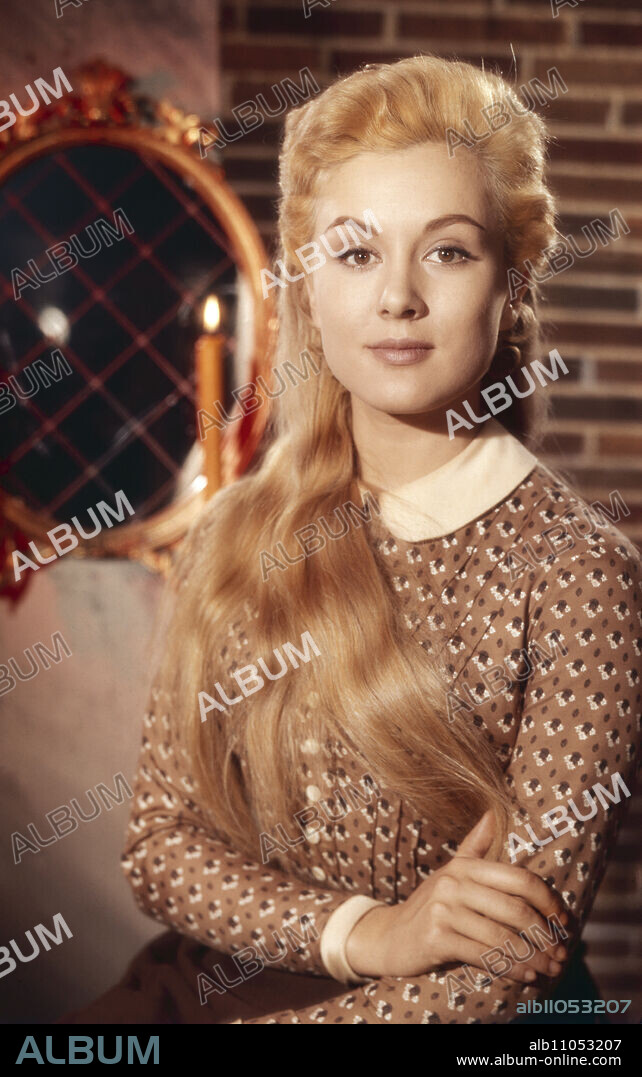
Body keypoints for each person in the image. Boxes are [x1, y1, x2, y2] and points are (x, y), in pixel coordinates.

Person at [60, 54, 640, 1025]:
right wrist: (366, 931)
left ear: (514, 284)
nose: (399, 298)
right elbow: (162, 848)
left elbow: (509, 966)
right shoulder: (233, 537)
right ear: (306, 287)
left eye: (449, 252)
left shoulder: (582, 576)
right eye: (357, 252)